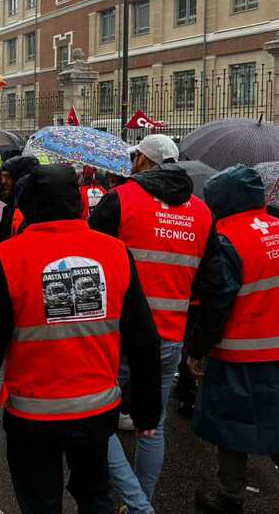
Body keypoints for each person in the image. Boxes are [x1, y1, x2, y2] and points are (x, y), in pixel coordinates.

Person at [0, 164, 162, 514]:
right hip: (97, 410)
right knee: (96, 495)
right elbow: (144, 340)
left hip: (34, 415)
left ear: (27, 206)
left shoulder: (7, 258)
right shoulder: (115, 252)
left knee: (40, 502)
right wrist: (147, 412)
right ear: (79, 205)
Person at [89, 134, 218, 514]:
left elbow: (89, 257)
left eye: (136, 157)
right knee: (153, 425)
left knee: (97, 419)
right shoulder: (202, 212)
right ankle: (140, 500)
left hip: (117, 333)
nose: (132, 163)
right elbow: (209, 284)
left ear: (144, 162)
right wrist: (198, 344)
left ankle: (135, 502)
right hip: (169, 335)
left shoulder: (122, 199)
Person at [188, 165, 279, 514]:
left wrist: (197, 349)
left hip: (243, 352)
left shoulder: (225, 240)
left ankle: (230, 497)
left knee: (231, 426)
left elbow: (217, 302)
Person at [0, 155, 38, 243]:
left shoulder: (29, 207)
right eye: (2, 177)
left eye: (8, 177)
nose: (3, 181)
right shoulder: (8, 200)